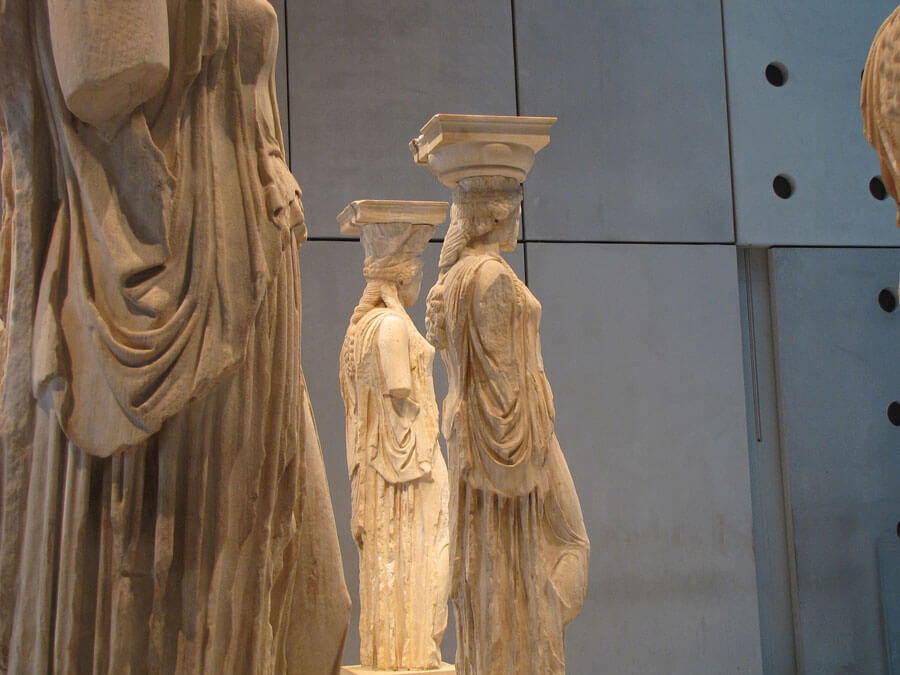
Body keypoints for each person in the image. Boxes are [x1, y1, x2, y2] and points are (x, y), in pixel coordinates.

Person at [0, 1, 349, 672]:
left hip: (243, 272)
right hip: (169, 268)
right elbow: (103, 76)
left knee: (249, 565)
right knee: (162, 570)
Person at [426, 175, 590, 675]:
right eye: (515, 206)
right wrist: (528, 443)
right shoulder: (491, 278)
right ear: (497, 213)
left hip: (488, 438)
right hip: (517, 445)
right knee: (567, 544)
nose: (519, 217)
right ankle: (530, 648)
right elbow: (502, 388)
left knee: (508, 559)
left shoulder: (459, 276)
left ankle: (523, 645)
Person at [339, 219, 449, 670]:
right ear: (403, 277)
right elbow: (400, 388)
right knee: (425, 549)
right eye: (417, 273)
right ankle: (413, 651)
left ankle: (401, 651)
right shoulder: (389, 328)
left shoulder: (360, 328)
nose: (420, 281)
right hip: (407, 465)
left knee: (397, 556)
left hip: (382, 466)